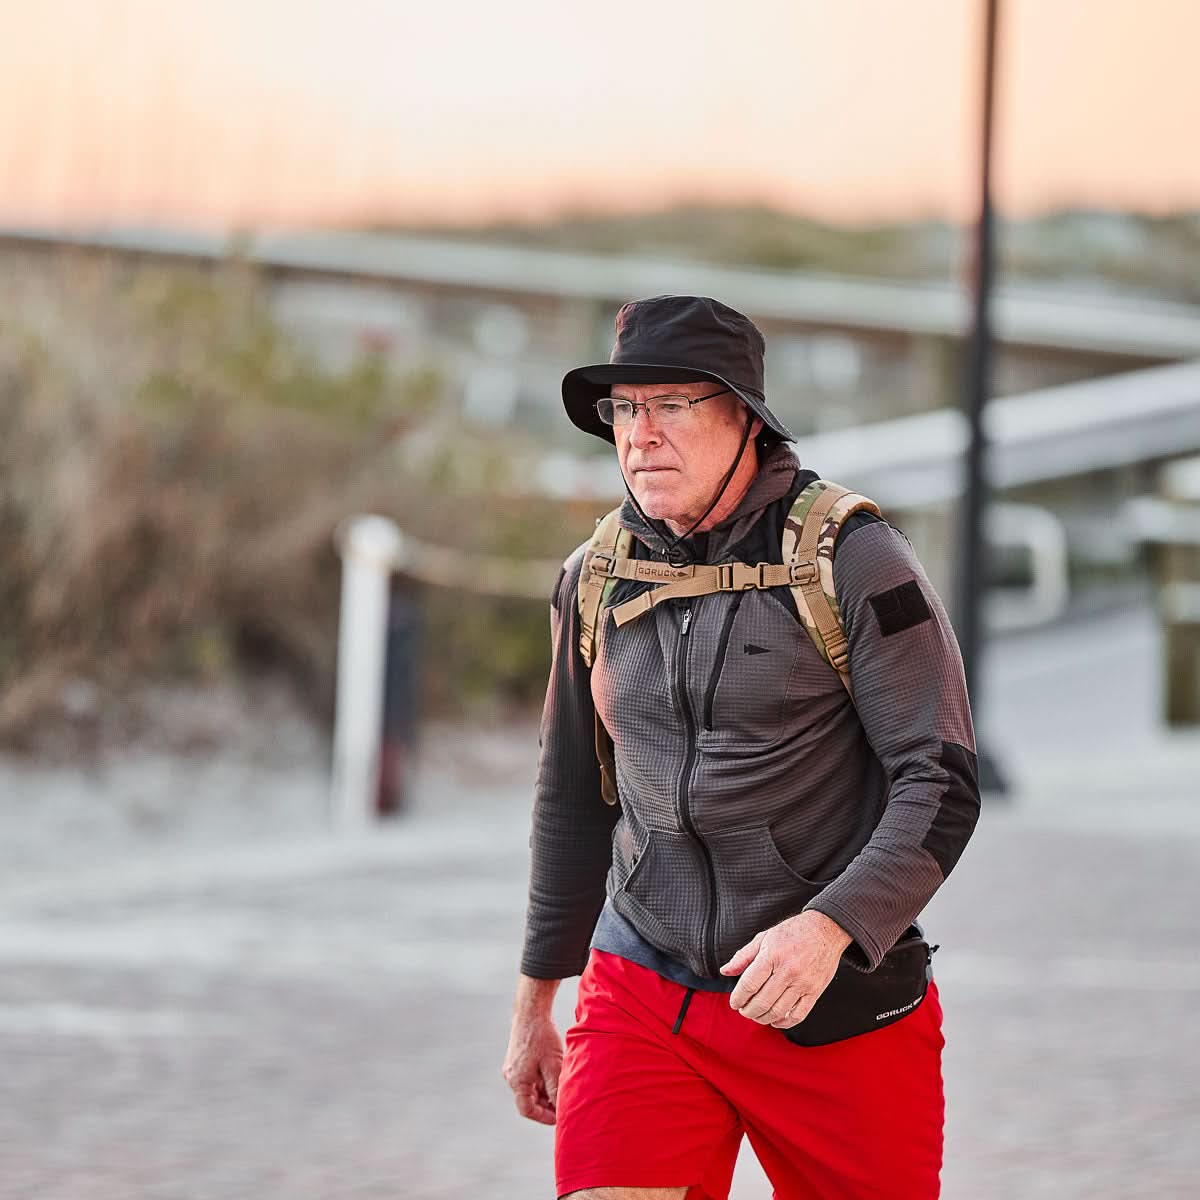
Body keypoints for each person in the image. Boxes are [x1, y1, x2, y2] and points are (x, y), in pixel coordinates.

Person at [502, 295, 981, 1200]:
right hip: (643, 989)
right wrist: (537, 1001)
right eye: (625, 410)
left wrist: (830, 928)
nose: (642, 434)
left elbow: (942, 783)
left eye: (673, 404)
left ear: (745, 418)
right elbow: (570, 795)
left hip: (831, 1005)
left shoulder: (855, 558)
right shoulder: (593, 576)